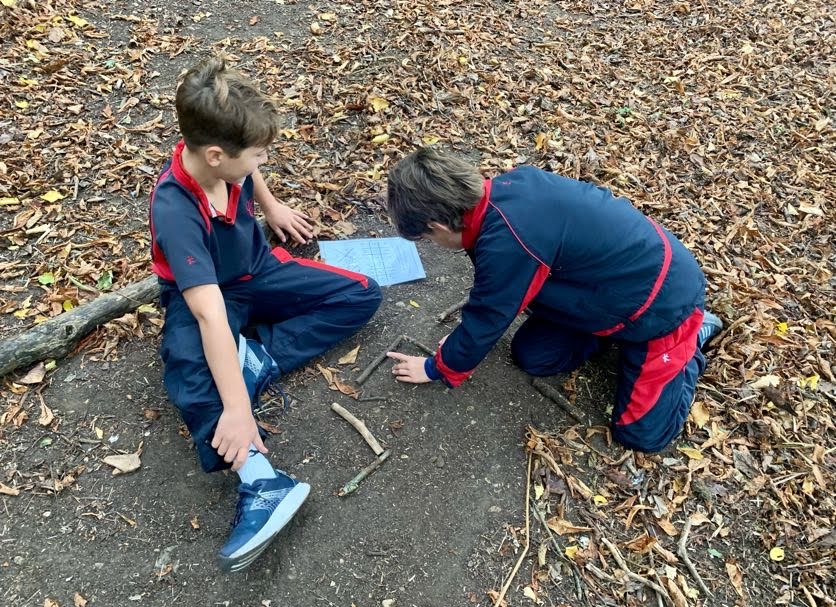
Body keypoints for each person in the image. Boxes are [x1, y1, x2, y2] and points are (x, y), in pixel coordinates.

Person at [148, 57, 382, 572]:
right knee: (190, 373)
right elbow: (208, 314)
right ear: (214, 155)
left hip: (261, 269)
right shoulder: (175, 208)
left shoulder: (228, 161)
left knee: (363, 293)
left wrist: (272, 207)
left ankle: (255, 357)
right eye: (257, 153)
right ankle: (262, 482)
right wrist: (237, 410)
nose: (261, 160)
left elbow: (249, 170)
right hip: (213, 298)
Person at [385, 148, 722, 453]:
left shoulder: (509, 241)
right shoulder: (502, 193)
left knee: (641, 435)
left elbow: (488, 315)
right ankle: (612, 336)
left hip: (662, 305)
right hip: (604, 293)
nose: (432, 244)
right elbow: (495, 301)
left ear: (438, 224)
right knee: (535, 356)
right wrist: (462, 343)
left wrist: (437, 366)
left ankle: (691, 341)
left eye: (426, 238)